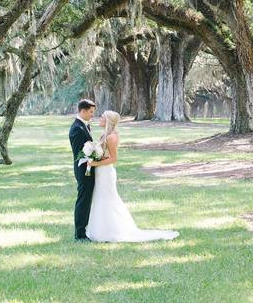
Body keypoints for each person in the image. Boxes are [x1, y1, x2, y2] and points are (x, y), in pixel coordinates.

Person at [85, 110, 179, 243]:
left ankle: (112, 230)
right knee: (100, 197)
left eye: (102, 117)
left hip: (106, 172)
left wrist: (94, 163)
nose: (99, 118)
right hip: (101, 172)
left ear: (108, 121)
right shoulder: (104, 135)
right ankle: (100, 229)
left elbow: (113, 159)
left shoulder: (111, 137)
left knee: (108, 198)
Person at [68, 99, 96, 241]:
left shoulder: (83, 126)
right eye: (91, 112)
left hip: (89, 168)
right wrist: (96, 154)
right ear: (83, 111)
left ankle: (85, 229)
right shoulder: (76, 129)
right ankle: (79, 234)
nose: (92, 115)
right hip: (83, 170)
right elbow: (80, 153)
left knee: (87, 200)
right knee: (83, 201)